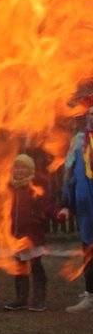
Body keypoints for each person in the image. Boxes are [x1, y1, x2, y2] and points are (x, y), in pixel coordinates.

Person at [4, 154, 54, 312]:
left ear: (30, 170)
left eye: (23, 167)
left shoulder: (35, 186)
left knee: (36, 265)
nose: (19, 170)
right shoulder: (10, 187)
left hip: (33, 234)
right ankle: (21, 299)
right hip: (16, 234)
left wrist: (51, 215)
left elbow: (47, 206)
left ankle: (39, 299)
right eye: (17, 167)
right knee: (19, 266)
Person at [62, 101, 93, 316]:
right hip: (86, 208)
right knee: (89, 252)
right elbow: (69, 174)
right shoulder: (79, 141)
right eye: (90, 114)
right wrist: (66, 203)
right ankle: (90, 295)